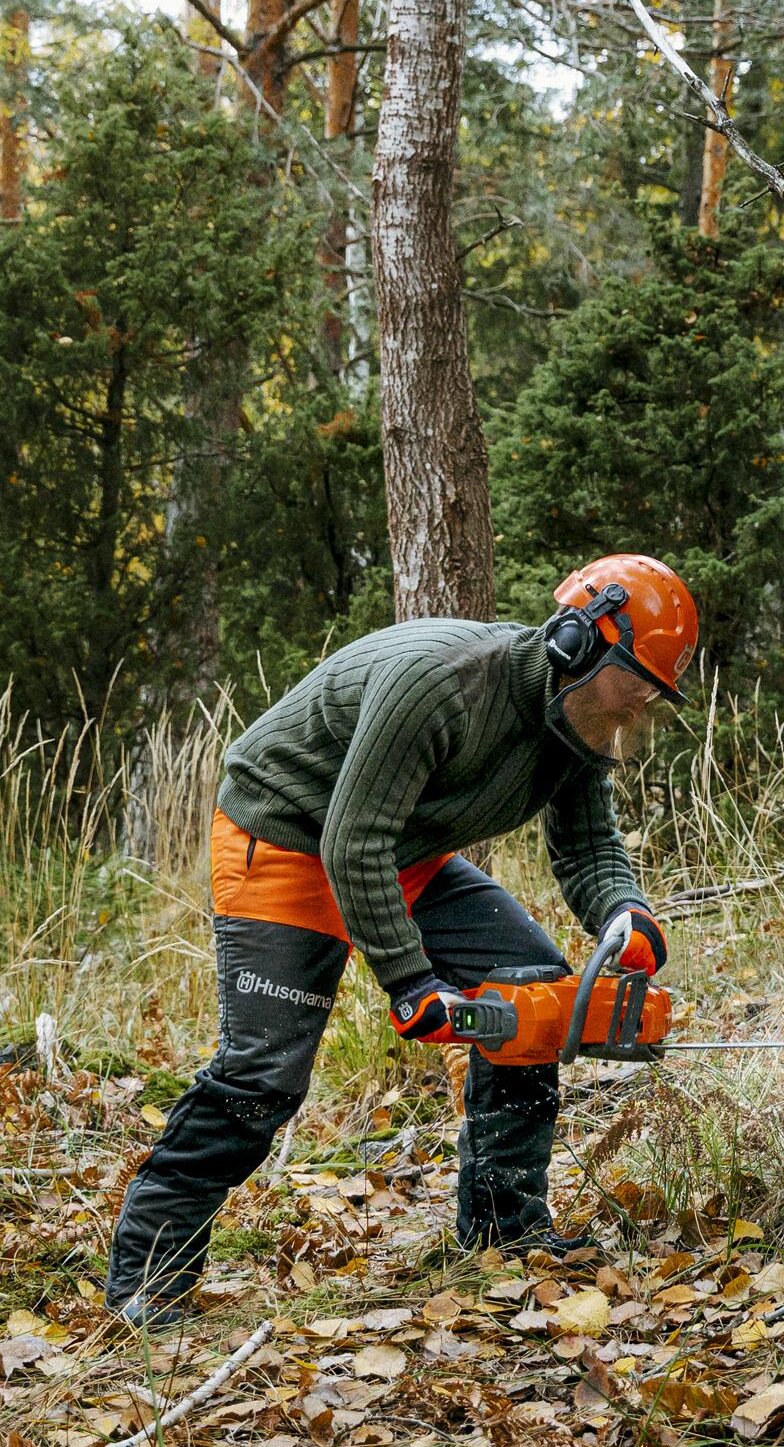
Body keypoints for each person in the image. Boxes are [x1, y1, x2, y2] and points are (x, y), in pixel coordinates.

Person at [100, 555, 697, 1320]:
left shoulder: (577, 721)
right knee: (264, 1076)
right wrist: (412, 985)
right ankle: (150, 1279)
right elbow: (350, 844)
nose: (643, 698)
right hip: (289, 837)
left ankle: (503, 1234)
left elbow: (587, 848)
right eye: (636, 675)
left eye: (658, 686)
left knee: (533, 992)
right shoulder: (439, 683)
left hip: (398, 850)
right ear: (580, 640)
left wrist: (624, 912)